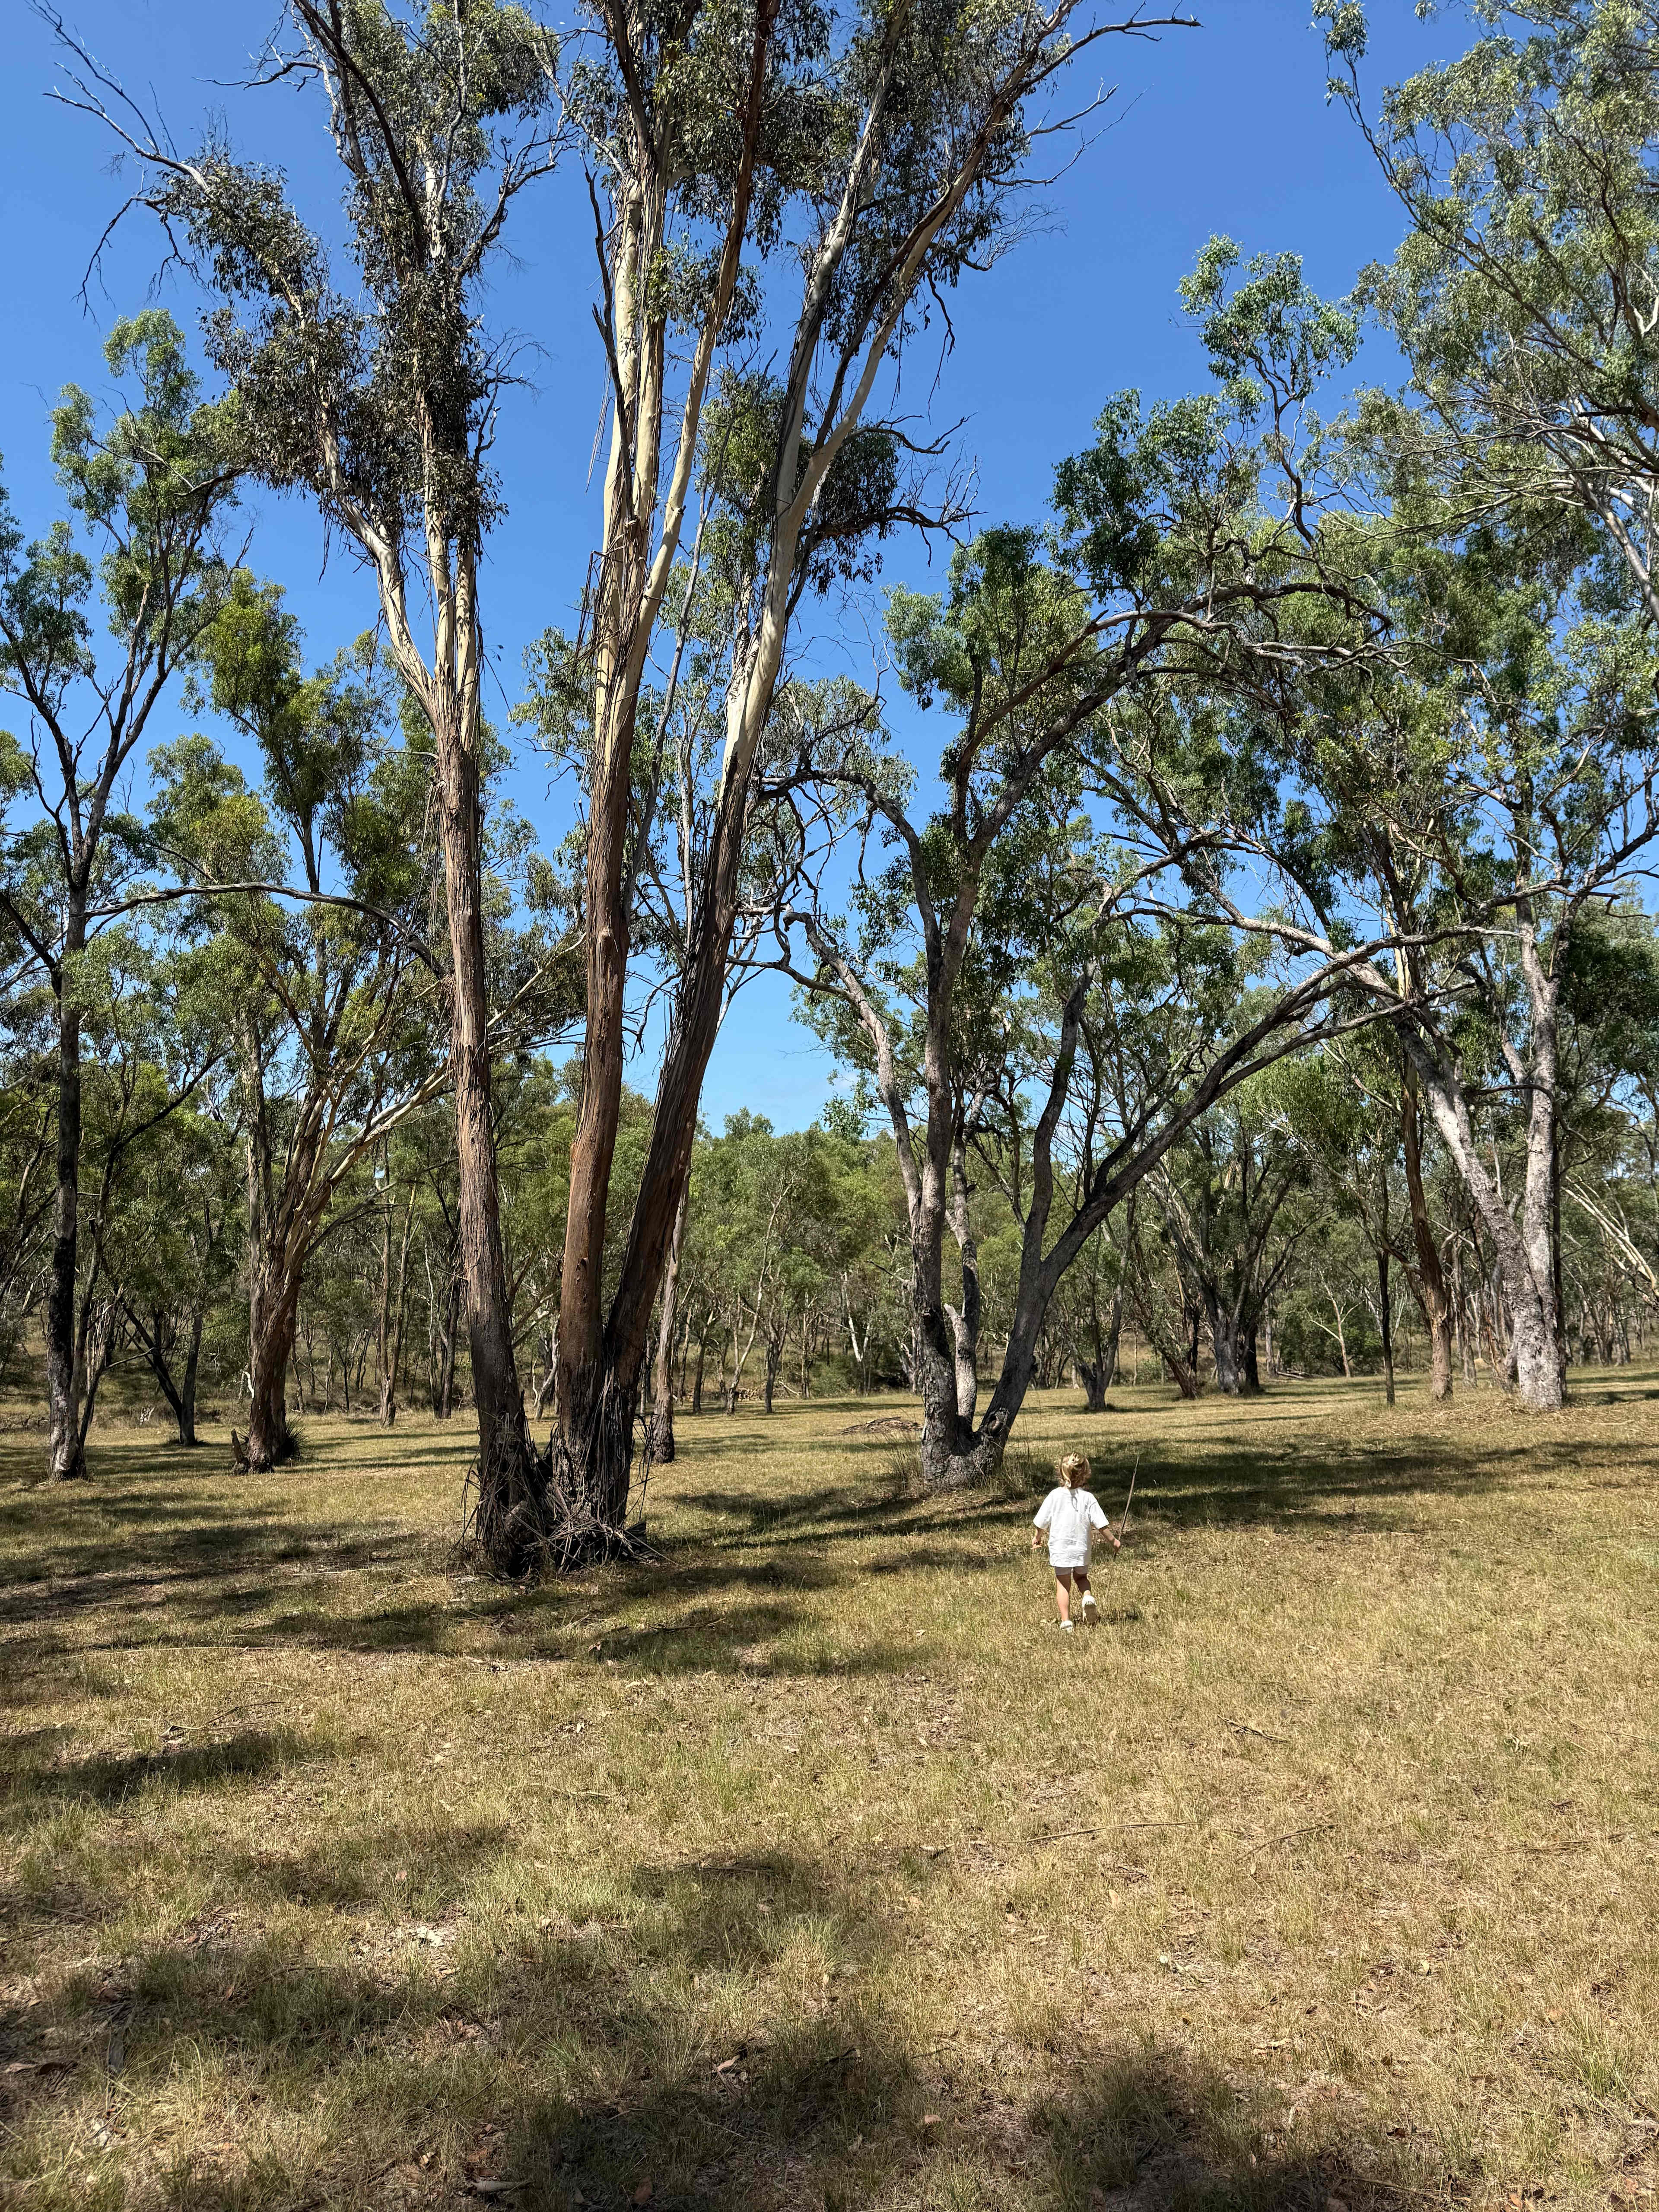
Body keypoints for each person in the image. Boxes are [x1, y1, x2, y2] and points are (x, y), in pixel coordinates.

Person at [1031, 1451, 1120, 1629]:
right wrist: (1114, 1541)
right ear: (1085, 1474)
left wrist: (1037, 1538)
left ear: (1061, 1473)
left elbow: (1041, 1522)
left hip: (1060, 1549)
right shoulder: (1088, 1498)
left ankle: (1066, 1621)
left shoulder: (1055, 1496)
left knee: (1063, 1584)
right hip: (1081, 1549)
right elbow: (1101, 1525)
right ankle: (1087, 1596)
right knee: (1081, 1577)